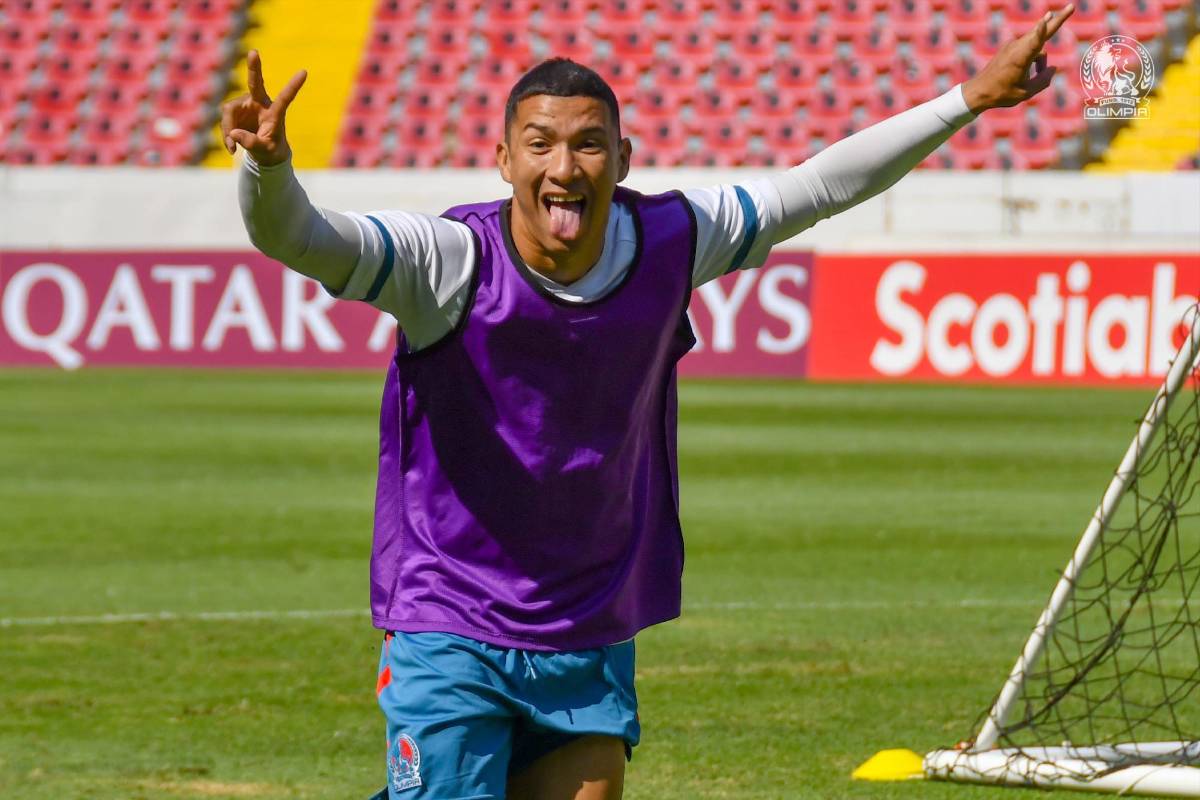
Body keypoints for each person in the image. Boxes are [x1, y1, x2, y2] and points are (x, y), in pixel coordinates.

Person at [223, 7, 1074, 798]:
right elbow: (297, 235)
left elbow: (815, 190)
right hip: (449, 612)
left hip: (588, 621)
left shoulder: (669, 240)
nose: (565, 167)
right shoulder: (444, 261)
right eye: (542, 145)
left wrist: (968, 100)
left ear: (623, 160)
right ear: (505, 160)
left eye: (590, 145)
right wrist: (265, 167)